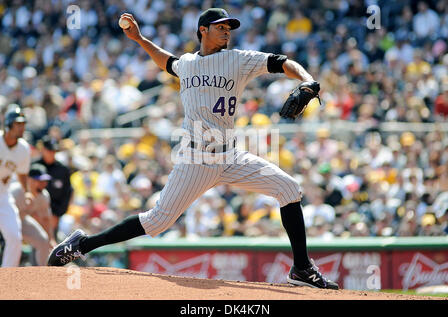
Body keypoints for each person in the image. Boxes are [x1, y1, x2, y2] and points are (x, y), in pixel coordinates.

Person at [48, 8, 338, 290]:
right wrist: (139, 40)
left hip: (230, 155)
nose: (227, 32)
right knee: (157, 221)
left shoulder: (238, 59)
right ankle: (81, 244)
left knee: (289, 189)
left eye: (229, 28)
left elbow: (281, 61)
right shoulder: (187, 63)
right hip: (196, 158)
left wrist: (306, 81)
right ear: (203, 30)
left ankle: (301, 268)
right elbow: (167, 61)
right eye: (221, 27)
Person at [0, 106, 31, 267]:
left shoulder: (23, 148)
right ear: (8, 125)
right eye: (18, 124)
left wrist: (26, 192)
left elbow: (22, 172)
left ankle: (6, 277)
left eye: (23, 124)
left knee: (14, 236)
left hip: (3, 195)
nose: (21, 127)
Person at [10, 163, 55, 265]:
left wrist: (51, 239)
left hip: (21, 220)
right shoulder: (15, 191)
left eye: (44, 181)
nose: (43, 184)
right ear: (28, 180)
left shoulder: (43, 196)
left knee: (43, 241)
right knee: (13, 240)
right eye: (39, 180)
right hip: (4, 222)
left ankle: (43, 273)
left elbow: (45, 219)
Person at [35, 135, 73, 241]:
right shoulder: (34, 167)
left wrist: (57, 214)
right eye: (49, 150)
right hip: (36, 213)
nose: (52, 153)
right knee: (37, 243)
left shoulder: (62, 169)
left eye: (54, 151)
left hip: (55, 214)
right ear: (43, 150)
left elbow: (67, 192)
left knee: (52, 243)